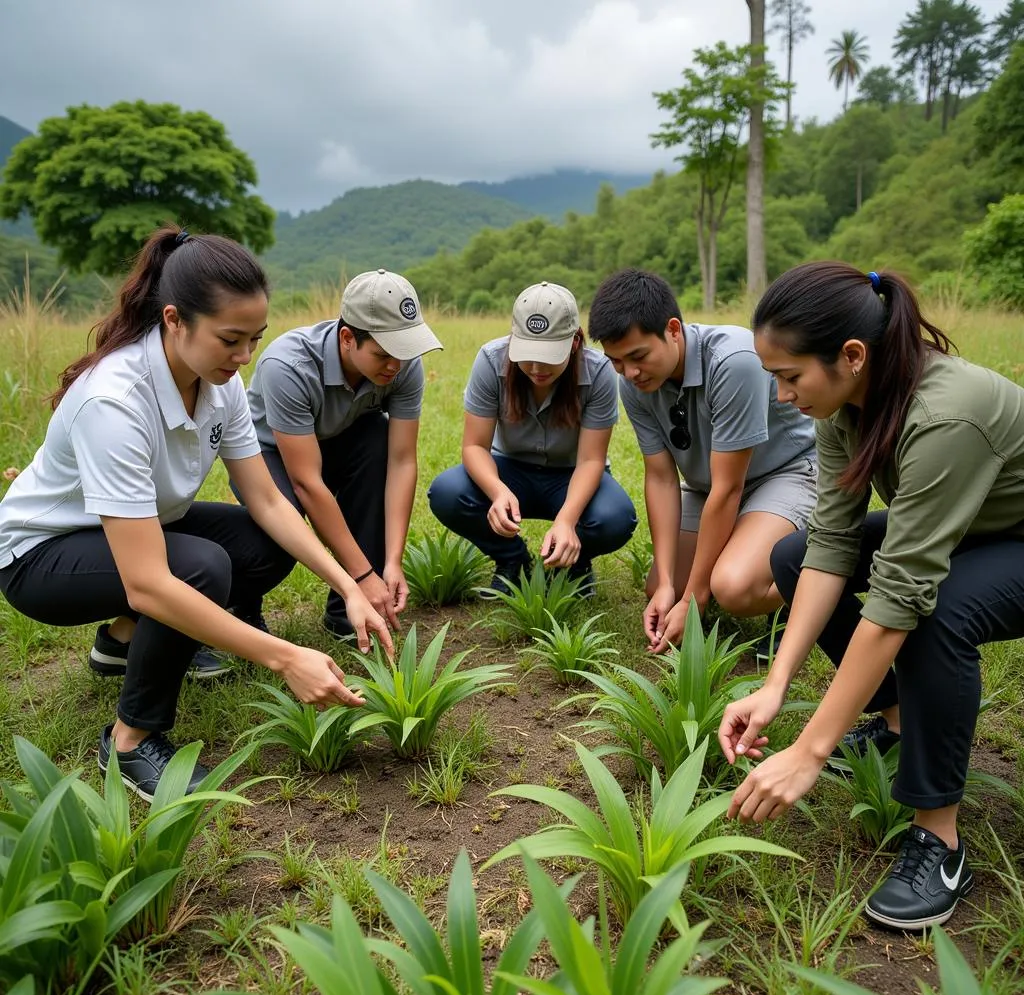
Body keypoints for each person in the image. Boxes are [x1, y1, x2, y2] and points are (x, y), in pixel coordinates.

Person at [0, 226, 392, 801]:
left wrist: (350, 582)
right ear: (174, 320)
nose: (243, 357)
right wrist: (285, 658)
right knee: (196, 569)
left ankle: (121, 641)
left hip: (139, 528)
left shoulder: (220, 383)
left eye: (254, 340)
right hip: (41, 555)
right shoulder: (114, 400)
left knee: (266, 542)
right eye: (230, 339)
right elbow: (149, 580)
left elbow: (265, 499)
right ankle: (131, 740)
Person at [719, 261, 1024, 930]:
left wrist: (810, 750)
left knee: (938, 613)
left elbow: (901, 595)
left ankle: (938, 839)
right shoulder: (846, 406)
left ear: (852, 356)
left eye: (789, 376)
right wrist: (776, 684)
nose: (780, 395)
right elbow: (831, 541)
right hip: (972, 524)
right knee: (794, 554)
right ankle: (893, 725)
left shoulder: (947, 416)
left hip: (1014, 539)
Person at [588, 268, 817, 654]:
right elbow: (660, 478)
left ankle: (815, 581)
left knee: (733, 587)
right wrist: (665, 585)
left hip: (787, 474)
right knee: (662, 586)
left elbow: (729, 489)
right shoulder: (633, 383)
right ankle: (734, 562)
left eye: (638, 356)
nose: (629, 372)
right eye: (615, 361)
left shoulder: (734, 360)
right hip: (711, 487)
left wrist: (695, 598)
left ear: (673, 329)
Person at [243, 269, 442, 637]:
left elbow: (401, 460)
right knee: (274, 530)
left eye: (402, 352)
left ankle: (346, 613)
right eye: (383, 355)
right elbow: (306, 482)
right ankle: (242, 609)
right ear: (348, 338)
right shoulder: (288, 365)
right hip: (271, 455)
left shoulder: (403, 364)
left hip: (338, 438)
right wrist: (362, 575)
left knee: (377, 439)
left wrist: (391, 563)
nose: (395, 366)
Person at [428, 281, 636, 596]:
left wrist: (566, 521)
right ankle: (512, 560)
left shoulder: (599, 372)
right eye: (527, 355)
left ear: (575, 343)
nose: (536, 368)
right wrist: (497, 492)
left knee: (615, 517)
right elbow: (474, 446)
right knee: (448, 492)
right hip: (510, 470)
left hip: (571, 475)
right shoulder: (490, 359)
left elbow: (591, 460)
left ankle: (572, 564)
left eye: (549, 355)